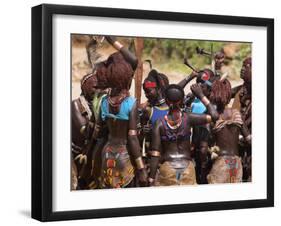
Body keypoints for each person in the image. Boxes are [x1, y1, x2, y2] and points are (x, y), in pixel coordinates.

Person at [94, 49, 147, 188]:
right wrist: (141, 168)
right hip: (125, 156)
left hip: (106, 154)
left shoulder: (104, 102)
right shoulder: (131, 103)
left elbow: (98, 132)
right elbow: (133, 138)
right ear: (126, 79)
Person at [148, 84, 218, 186]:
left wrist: (151, 178)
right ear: (181, 101)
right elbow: (215, 116)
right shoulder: (189, 118)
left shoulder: (159, 123)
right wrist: (201, 95)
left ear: (166, 101)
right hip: (188, 169)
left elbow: (155, 154)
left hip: (168, 169)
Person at [207, 78, 251, 183]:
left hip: (221, 164)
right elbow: (249, 139)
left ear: (213, 94)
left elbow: (208, 144)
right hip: (236, 163)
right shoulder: (236, 114)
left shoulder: (214, 116)